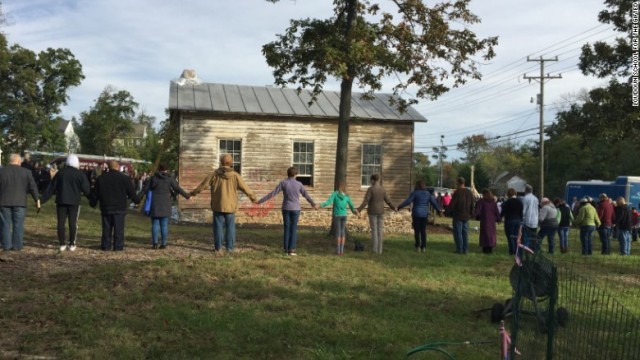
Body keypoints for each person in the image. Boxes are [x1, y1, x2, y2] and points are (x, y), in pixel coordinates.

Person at [190, 154, 258, 253]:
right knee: (230, 228)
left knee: (218, 227)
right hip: (230, 206)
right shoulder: (235, 175)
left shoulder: (214, 174)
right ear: (231, 163)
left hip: (218, 205)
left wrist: (192, 193)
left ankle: (218, 248)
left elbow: (202, 185)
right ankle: (229, 249)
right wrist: (253, 198)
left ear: (221, 162)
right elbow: (245, 188)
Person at [258, 167, 318, 256]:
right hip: (296, 209)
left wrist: (260, 201)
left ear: (288, 174)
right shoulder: (299, 184)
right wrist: (313, 204)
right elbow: (306, 195)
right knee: (293, 228)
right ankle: (292, 250)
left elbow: (272, 193)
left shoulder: (283, 183)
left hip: (286, 208)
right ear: (295, 174)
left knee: (287, 228)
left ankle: (286, 249)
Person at [40, 155, 91, 252]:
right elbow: (87, 190)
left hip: (61, 200)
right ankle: (72, 243)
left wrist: (41, 200)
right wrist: (93, 199)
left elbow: (51, 188)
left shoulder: (60, 173)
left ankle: (62, 243)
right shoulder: (80, 174)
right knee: (73, 223)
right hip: (74, 202)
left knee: (61, 223)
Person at [91, 160, 141, 251]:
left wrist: (93, 203)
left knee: (106, 228)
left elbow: (95, 194)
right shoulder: (124, 179)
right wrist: (137, 200)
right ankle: (118, 246)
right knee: (119, 229)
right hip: (120, 207)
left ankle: (106, 246)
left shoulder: (101, 178)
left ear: (108, 167)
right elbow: (131, 192)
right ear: (117, 167)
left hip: (106, 207)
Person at [140, 164, 190, 250]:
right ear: (167, 170)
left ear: (158, 170)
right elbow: (177, 189)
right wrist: (187, 196)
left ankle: (155, 243)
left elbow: (144, 189)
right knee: (164, 225)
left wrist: (137, 198)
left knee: (155, 224)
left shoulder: (152, 178)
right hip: (165, 204)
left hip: (154, 203)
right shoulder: (170, 179)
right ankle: (163, 244)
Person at [0, 154, 40, 251]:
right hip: (20, 202)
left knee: (5, 224)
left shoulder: (1, 171)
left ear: (10, 161)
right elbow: (32, 187)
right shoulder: (26, 172)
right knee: (18, 224)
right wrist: (37, 199)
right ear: (19, 162)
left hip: (4, 201)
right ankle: (17, 245)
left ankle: (6, 245)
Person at [397, 180, 440, 253]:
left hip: (416, 214)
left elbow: (408, 201)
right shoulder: (428, 194)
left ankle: (418, 246)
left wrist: (399, 207)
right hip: (424, 214)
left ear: (417, 186)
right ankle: (424, 247)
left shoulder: (415, 193)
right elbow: (434, 203)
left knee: (417, 231)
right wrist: (439, 211)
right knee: (423, 231)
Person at [356, 174, 395, 254]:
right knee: (380, 230)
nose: (370, 182)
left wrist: (359, 209)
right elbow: (388, 201)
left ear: (373, 180)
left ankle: (375, 249)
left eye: (371, 180)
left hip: (372, 212)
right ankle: (380, 250)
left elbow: (366, 201)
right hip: (381, 211)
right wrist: (393, 207)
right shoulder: (383, 189)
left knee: (374, 230)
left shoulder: (371, 189)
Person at [320, 181, 357, 256]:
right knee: (342, 232)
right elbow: (352, 206)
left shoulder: (335, 194)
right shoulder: (347, 196)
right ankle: (341, 251)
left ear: (339, 186)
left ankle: (338, 250)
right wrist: (355, 212)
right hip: (344, 215)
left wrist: (320, 205)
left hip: (337, 215)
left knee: (338, 233)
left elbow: (328, 202)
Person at [448, 177, 475, 254]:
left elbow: (453, 204)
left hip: (458, 215)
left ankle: (459, 249)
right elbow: (472, 204)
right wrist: (472, 213)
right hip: (466, 215)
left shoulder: (457, 192)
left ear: (458, 183)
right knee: (465, 233)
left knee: (458, 233)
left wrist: (447, 212)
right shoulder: (469, 192)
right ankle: (465, 249)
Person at [475, 189, 500, 254]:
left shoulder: (482, 201)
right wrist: (498, 219)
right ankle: (490, 248)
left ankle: (485, 249)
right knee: (491, 235)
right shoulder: (493, 202)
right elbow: (496, 212)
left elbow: (478, 210)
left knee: (485, 235)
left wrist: (475, 215)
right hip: (492, 221)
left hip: (484, 220)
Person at [500, 188, 523, 255]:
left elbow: (503, 211)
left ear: (508, 194)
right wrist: (521, 220)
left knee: (510, 236)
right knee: (516, 236)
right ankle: (516, 249)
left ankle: (512, 250)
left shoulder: (507, 202)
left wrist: (500, 218)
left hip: (510, 220)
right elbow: (521, 212)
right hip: (518, 220)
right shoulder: (520, 201)